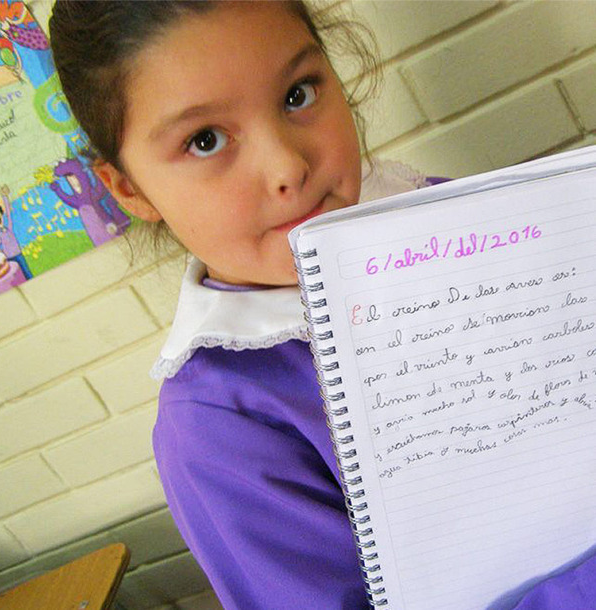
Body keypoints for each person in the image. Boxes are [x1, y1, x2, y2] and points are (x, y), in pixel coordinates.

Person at [48, 2, 596, 608]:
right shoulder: (218, 426)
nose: (287, 166)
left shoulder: (434, 214)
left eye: (297, 95)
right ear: (128, 188)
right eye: (205, 141)